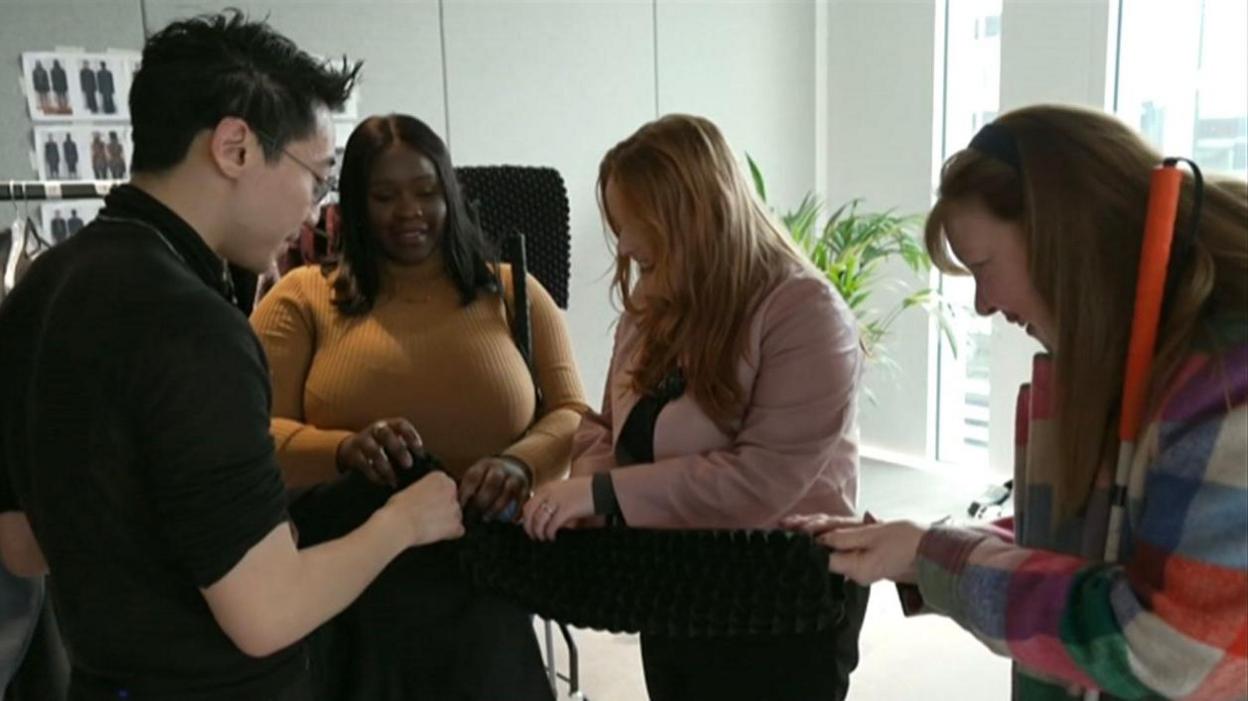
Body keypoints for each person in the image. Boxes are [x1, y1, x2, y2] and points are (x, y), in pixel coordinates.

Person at [0, 12, 464, 701]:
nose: (313, 211)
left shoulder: (41, 286)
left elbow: (24, 548)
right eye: (316, 177)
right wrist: (403, 523)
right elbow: (266, 613)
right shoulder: (193, 323)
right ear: (235, 147)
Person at [789, 105, 1248, 700]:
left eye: (982, 266)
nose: (982, 304)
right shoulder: (1116, 371)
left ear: (1066, 236)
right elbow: (1091, 542)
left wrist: (935, 558)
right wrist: (917, 550)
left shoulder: (1224, 387)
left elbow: (1169, 649)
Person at [522, 114, 869, 701]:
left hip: (778, 598)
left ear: (696, 217)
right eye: (618, 225)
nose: (625, 246)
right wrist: (588, 486)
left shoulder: (806, 313)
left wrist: (604, 494)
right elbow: (603, 425)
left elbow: (760, 481)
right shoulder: (652, 302)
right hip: (677, 581)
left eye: (635, 226)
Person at [251, 112, 586, 700]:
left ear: (450, 195)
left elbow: (573, 415)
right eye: (385, 196)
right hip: (350, 586)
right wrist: (343, 450)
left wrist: (520, 464)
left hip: (487, 582)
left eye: (428, 192)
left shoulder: (515, 293)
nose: (410, 211)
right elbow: (251, 438)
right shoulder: (302, 298)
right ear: (354, 203)